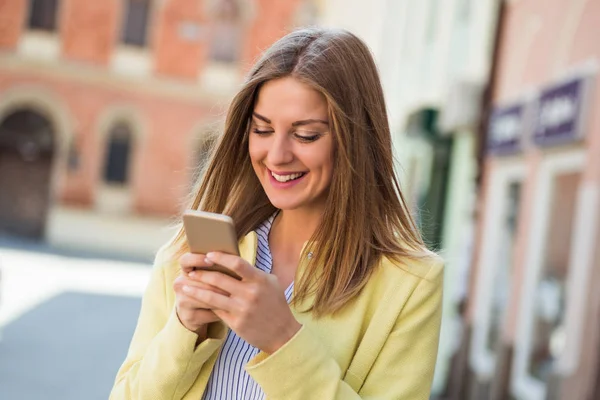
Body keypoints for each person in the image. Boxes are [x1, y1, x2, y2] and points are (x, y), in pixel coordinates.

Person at [110, 27, 443, 400]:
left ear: (355, 141)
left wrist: (283, 341)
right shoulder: (189, 254)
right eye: (262, 129)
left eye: (306, 135)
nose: (277, 155)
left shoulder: (410, 285)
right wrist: (184, 331)